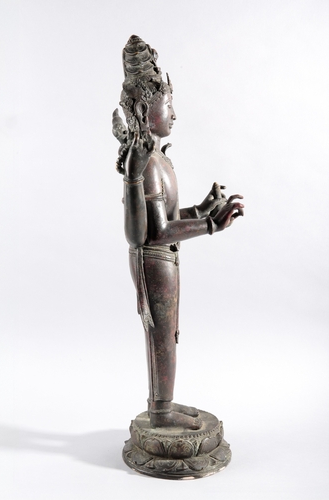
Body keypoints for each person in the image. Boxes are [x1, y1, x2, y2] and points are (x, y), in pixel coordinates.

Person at [113, 35, 244, 430]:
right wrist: (210, 225)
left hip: (163, 258)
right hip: (155, 260)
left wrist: (202, 208)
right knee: (161, 337)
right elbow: (158, 231)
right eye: (168, 106)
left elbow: (167, 218)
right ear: (144, 109)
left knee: (168, 335)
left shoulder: (156, 159)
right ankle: (160, 411)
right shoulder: (147, 165)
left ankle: (163, 405)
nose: (174, 115)